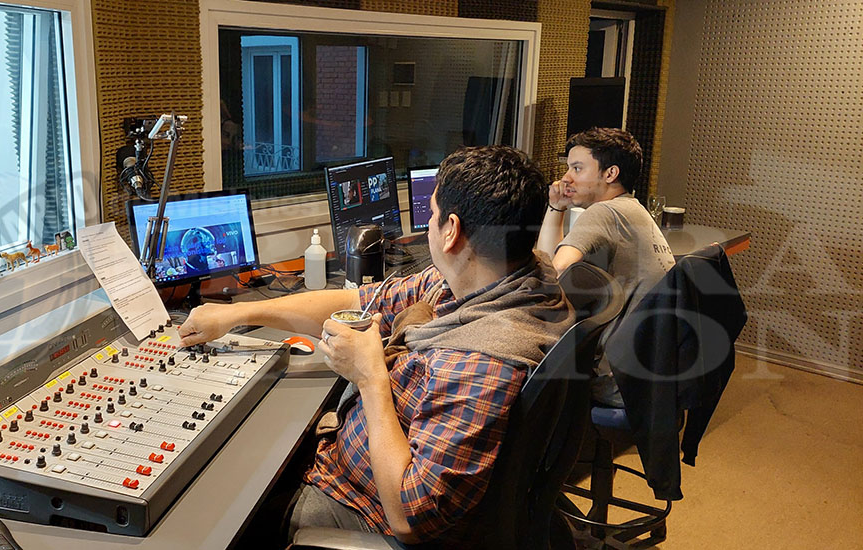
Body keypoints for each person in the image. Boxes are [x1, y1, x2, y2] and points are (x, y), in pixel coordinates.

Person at [179, 146, 574, 547]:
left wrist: (370, 378)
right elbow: (360, 302)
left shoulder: (480, 361)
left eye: (433, 215)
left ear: (451, 231)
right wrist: (237, 314)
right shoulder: (499, 279)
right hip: (351, 464)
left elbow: (410, 517)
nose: (428, 225)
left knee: (221, 513)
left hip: (362, 510)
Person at [535, 127, 676, 406]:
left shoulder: (605, 212)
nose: (566, 178)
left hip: (616, 381)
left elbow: (553, 273)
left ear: (610, 174)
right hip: (651, 377)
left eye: (577, 168)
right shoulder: (633, 210)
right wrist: (557, 206)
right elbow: (552, 264)